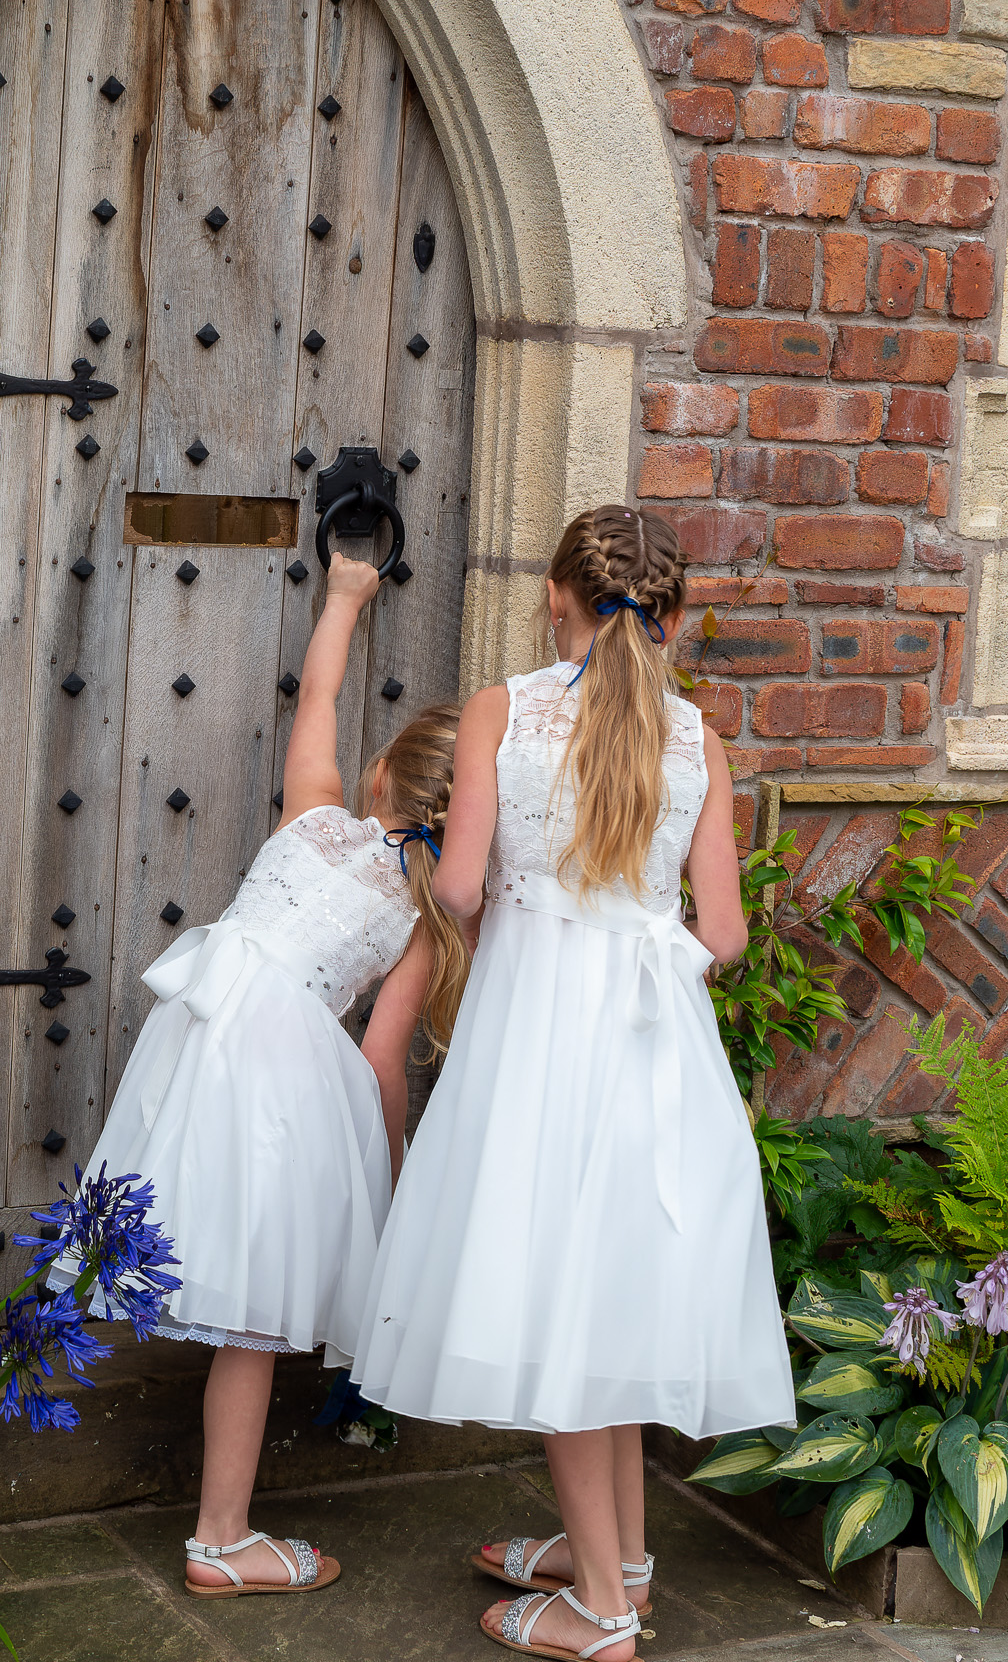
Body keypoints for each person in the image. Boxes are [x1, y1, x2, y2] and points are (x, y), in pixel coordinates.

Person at [351, 506, 794, 1657]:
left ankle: (599, 1611)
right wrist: (645, 961)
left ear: (556, 598)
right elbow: (728, 932)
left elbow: (454, 894)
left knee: (551, 1290)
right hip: (655, 1035)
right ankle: (627, 1558)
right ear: (676, 617)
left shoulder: (506, 709)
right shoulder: (698, 738)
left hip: (539, 1036)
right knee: (615, 1288)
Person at [67, 554, 467, 1598]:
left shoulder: (313, 815)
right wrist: (381, 1176)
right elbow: (382, 1057)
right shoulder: (425, 915)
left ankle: (219, 1530)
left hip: (203, 1036)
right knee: (254, 1311)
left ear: (383, 774)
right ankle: (221, 1536)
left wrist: (342, 599)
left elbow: (321, 695)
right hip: (289, 1069)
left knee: (209, 1260)